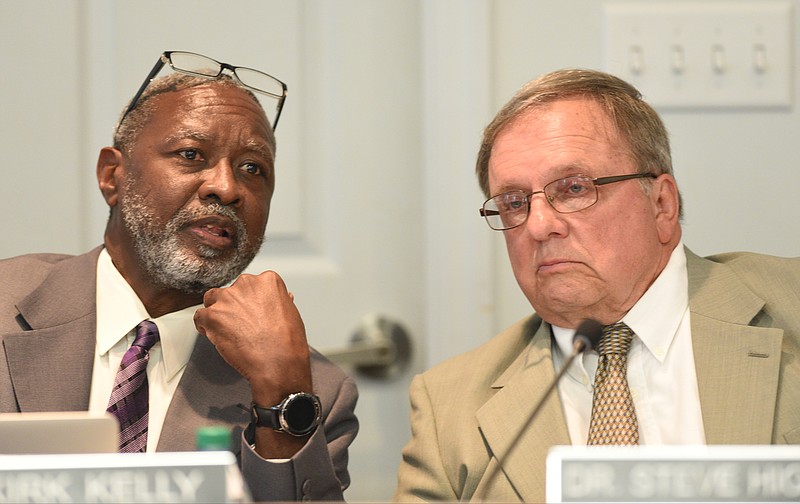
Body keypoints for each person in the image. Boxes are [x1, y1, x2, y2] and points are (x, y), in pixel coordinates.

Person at [393, 68, 800, 502]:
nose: (539, 225)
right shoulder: (448, 407)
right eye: (514, 202)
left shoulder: (788, 303)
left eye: (572, 189)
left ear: (662, 204)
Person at [0, 51, 358, 502]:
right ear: (112, 175)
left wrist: (282, 396)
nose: (226, 188)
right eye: (191, 155)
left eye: (253, 169)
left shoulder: (317, 393)